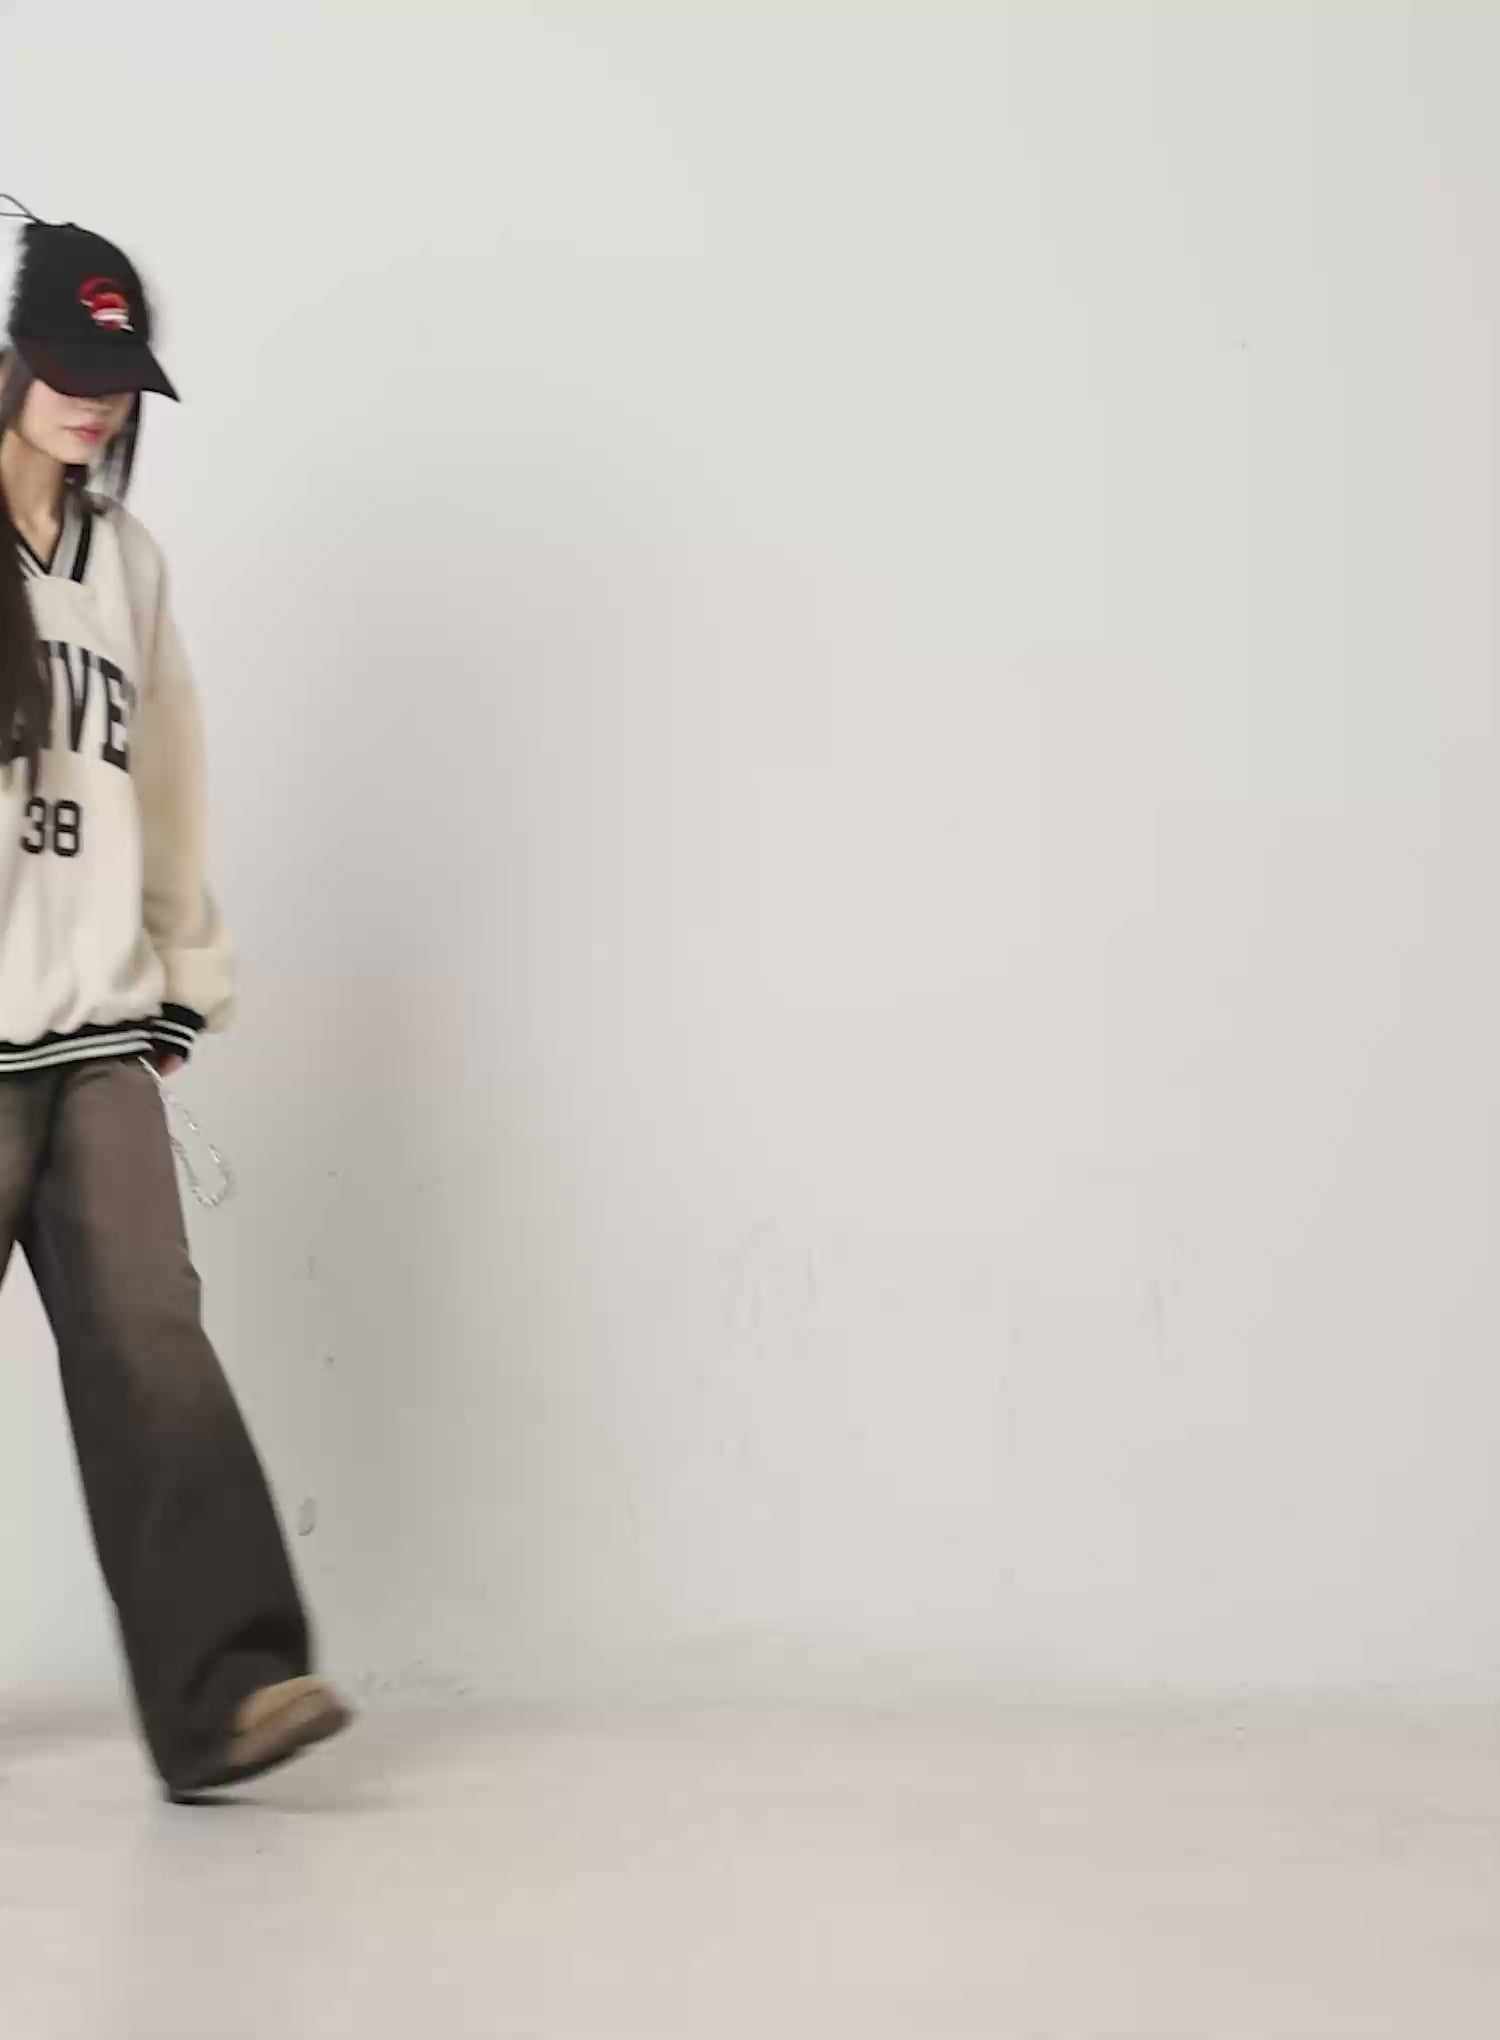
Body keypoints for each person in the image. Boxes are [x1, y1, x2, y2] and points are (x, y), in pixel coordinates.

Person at [0, 201, 349, 1799]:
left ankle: (227, 1694)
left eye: (117, 376)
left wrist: (180, 979)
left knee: (153, 1335)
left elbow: (170, 782)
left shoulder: (126, 565)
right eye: (68, 368)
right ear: (13, 358)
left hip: (96, 1036)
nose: (94, 401)